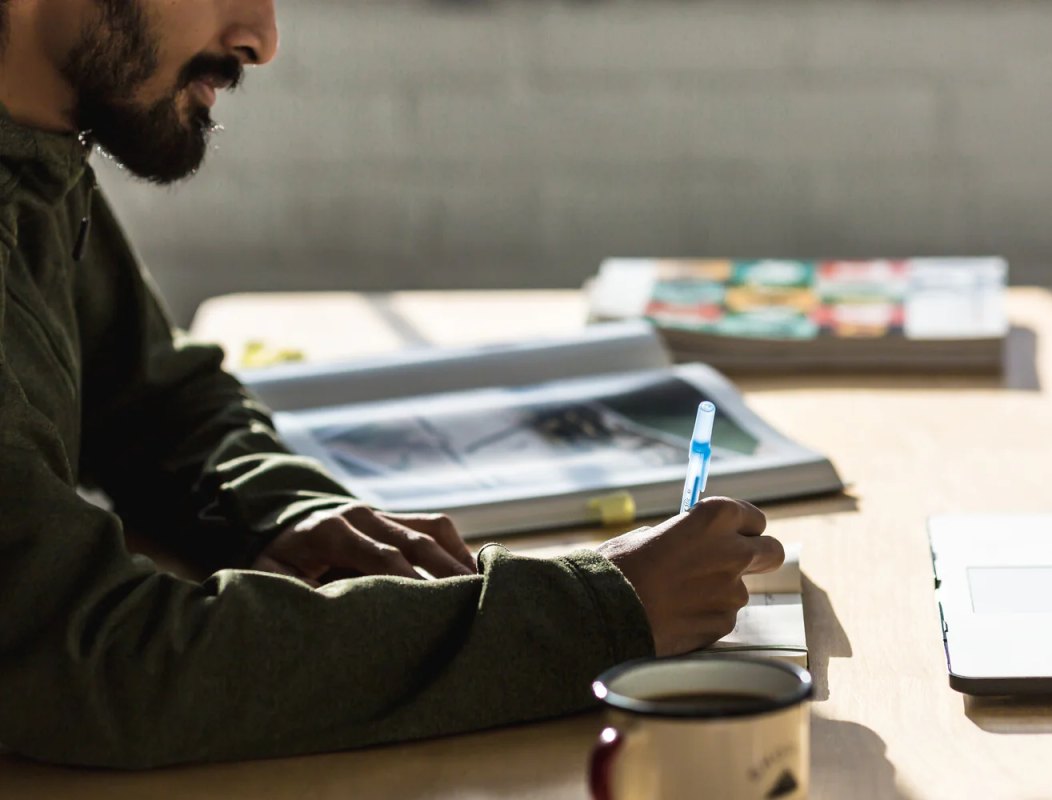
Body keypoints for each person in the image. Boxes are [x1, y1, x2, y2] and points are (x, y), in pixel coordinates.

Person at [0, 0, 785, 769]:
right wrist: (594, 611)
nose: (262, 39)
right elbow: (97, 661)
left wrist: (288, 511)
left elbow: (153, 401)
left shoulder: (39, 151)